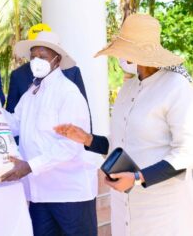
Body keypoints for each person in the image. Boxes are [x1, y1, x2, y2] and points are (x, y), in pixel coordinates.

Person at [55, 14, 193, 235]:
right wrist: (87, 139)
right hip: (123, 204)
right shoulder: (128, 88)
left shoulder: (176, 86)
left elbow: (186, 153)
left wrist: (138, 178)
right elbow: (120, 144)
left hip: (161, 210)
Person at [1, 31, 98, 236]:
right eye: (33, 56)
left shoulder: (68, 93)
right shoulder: (31, 93)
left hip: (69, 194)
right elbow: (14, 123)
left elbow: (70, 146)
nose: (36, 61)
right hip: (40, 193)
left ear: (57, 60)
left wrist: (30, 166)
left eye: (43, 56)